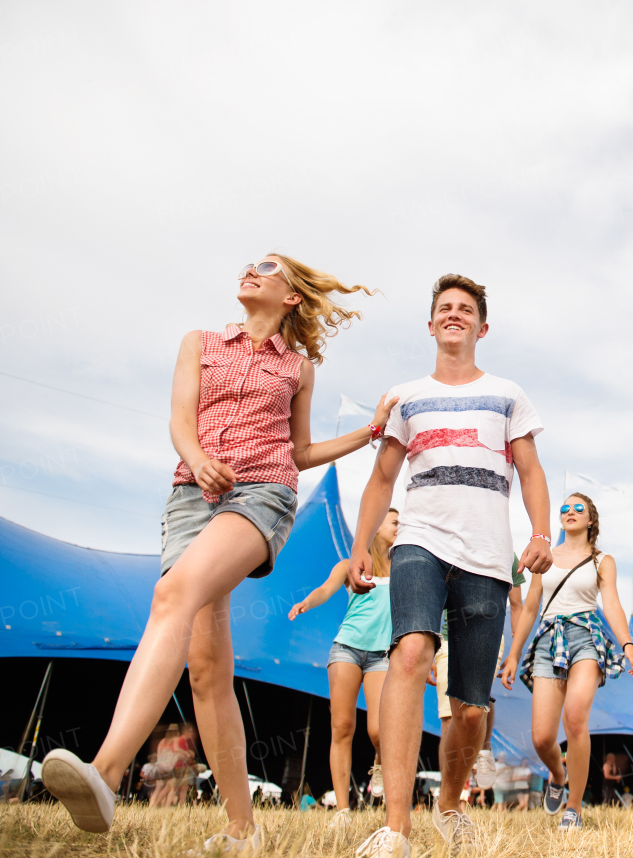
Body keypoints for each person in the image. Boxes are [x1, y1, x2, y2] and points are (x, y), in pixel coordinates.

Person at [41, 254, 394, 849]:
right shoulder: (199, 342)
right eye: (249, 264)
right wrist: (199, 459)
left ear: (291, 298)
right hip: (190, 497)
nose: (249, 271)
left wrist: (370, 431)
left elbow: (299, 452)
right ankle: (242, 829)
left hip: (261, 497)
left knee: (171, 594)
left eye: (267, 267)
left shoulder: (298, 369)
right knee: (207, 671)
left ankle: (103, 773)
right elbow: (181, 420)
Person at [349, 275, 553, 858]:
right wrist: (364, 544)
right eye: (445, 308)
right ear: (432, 323)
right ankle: (396, 828)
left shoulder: (508, 395)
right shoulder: (406, 397)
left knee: (469, 709)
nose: (455, 315)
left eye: (466, 310)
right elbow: (383, 478)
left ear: (481, 328)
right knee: (410, 653)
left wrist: (539, 533)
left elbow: (532, 472)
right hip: (419, 542)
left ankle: (450, 803)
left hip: (487, 556)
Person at [501, 492, 633, 830]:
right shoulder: (545, 557)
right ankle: (557, 773)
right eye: (564, 508)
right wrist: (513, 653)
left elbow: (611, 604)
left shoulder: (601, 560)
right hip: (549, 639)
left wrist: (626, 643)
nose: (569, 512)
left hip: (586, 637)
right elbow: (532, 606)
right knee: (541, 737)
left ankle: (574, 807)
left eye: (578, 508)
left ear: (590, 520)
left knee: (576, 717)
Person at [288, 507, 400, 827]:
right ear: (376, 527)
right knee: (342, 728)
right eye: (394, 522)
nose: (398, 527)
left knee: (378, 730)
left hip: (381, 654)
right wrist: (306, 603)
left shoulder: (402, 568)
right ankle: (342, 810)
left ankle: (379, 761)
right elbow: (326, 589)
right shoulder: (351, 566)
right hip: (347, 649)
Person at [429, 556, 526, 799]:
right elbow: (430, 601)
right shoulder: (448, 542)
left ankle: (484, 747)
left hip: (489, 637)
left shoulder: (506, 552)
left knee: (476, 704)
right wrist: (427, 651)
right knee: (449, 717)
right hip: (447, 639)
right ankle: (449, 793)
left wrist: (515, 653)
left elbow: (516, 607)